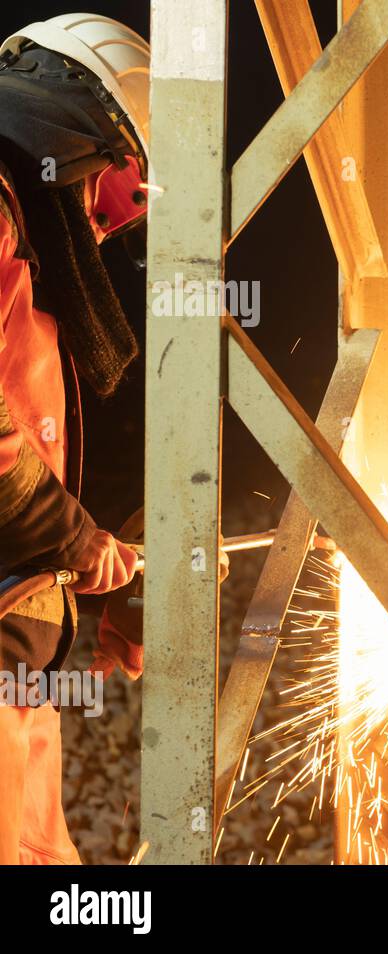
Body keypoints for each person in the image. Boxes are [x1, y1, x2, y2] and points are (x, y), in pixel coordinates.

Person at [0, 13, 150, 865]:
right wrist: (71, 538)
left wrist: (106, 564)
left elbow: (37, 423)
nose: (103, 228)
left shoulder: (23, 235)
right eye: (118, 197)